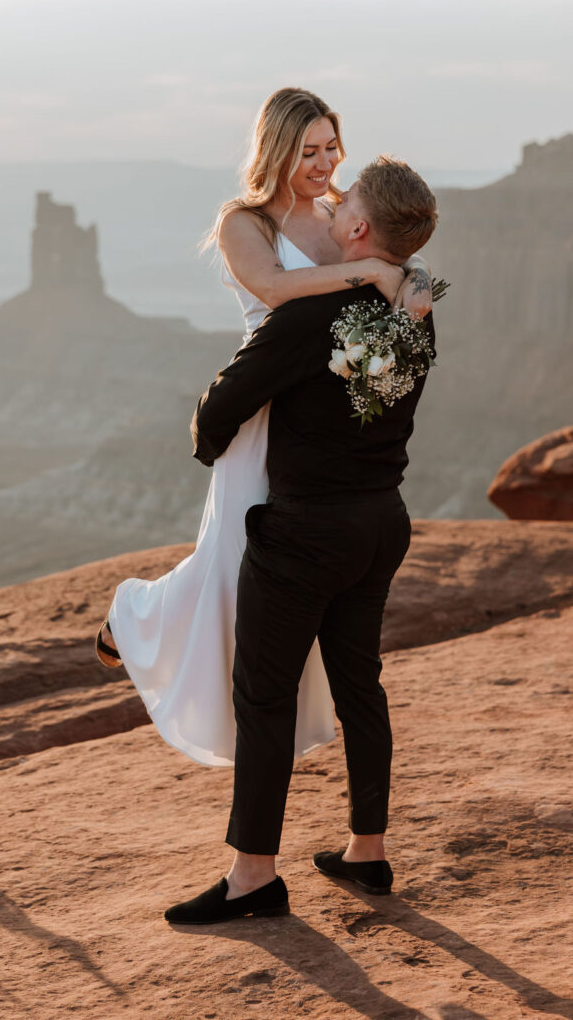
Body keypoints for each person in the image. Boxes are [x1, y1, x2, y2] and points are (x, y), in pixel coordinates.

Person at [95, 88, 432, 768]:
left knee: (270, 574)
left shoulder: (342, 212)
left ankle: (265, 701)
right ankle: (135, 623)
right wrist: (366, 269)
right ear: (275, 149)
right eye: (307, 150)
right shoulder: (241, 222)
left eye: (331, 147)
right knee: (231, 558)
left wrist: (414, 276)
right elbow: (276, 290)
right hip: (263, 409)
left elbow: (393, 252)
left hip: (323, 418)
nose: (322, 162)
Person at [163, 155, 438, 924]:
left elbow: (223, 403)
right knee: (360, 685)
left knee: (263, 695)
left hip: (304, 532)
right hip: (381, 520)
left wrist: (215, 452)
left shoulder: (313, 315)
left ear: (355, 229)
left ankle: (252, 876)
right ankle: (366, 852)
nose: (330, 196)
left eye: (341, 197)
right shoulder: (417, 305)